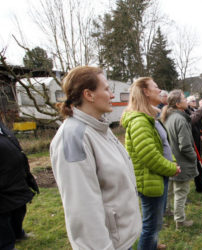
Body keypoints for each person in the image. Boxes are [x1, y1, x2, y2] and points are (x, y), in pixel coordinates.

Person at [50, 66, 142, 249]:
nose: (112, 95)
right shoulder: (74, 137)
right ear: (89, 95)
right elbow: (82, 209)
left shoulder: (99, 129)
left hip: (121, 240)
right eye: (107, 89)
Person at [121, 78, 180, 250]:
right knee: (151, 225)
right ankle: (148, 245)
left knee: (155, 222)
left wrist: (173, 162)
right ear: (145, 92)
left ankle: (152, 245)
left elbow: (164, 144)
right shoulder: (139, 121)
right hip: (150, 178)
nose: (159, 89)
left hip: (158, 175)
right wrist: (171, 168)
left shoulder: (149, 117)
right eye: (155, 86)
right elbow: (150, 156)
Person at [161, 90, 198, 229]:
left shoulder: (168, 117)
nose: (187, 100)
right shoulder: (180, 119)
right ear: (177, 104)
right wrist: (194, 157)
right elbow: (185, 146)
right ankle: (180, 221)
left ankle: (165, 211)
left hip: (170, 160)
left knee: (170, 190)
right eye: (184, 98)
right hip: (181, 162)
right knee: (181, 193)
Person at [0, 121, 39, 250]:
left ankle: (18, 234)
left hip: (16, 181)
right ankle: (7, 246)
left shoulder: (3, 130)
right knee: (3, 221)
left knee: (19, 211)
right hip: (3, 188)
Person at [185, 95, 202, 193]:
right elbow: (193, 119)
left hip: (197, 141)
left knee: (200, 164)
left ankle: (200, 186)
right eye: (192, 101)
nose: (194, 102)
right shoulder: (185, 111)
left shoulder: (193, 110)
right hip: (190, 143)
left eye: (195, 101)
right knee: (191, 166)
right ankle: (184, 190)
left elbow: (199, 120)